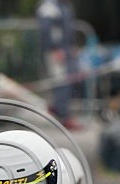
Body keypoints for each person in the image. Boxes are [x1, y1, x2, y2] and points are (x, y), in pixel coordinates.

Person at [36, 0, 81, 131]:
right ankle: (63, 116)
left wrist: (72, 45)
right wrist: (54, 48)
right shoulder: (48, 6)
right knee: (61, 82)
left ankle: (60, 110)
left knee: (67, 81)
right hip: (56, 51)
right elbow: (47, 29)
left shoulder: (65, 6)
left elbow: (68, 28)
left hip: (66, 49)